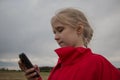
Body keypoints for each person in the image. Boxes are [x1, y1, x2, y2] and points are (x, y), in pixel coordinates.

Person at [18, 8, 120, 80]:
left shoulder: (97, 63)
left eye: (60, 30)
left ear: (79, 29)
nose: (56, 37)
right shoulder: (58, 67)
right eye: (54, 32)